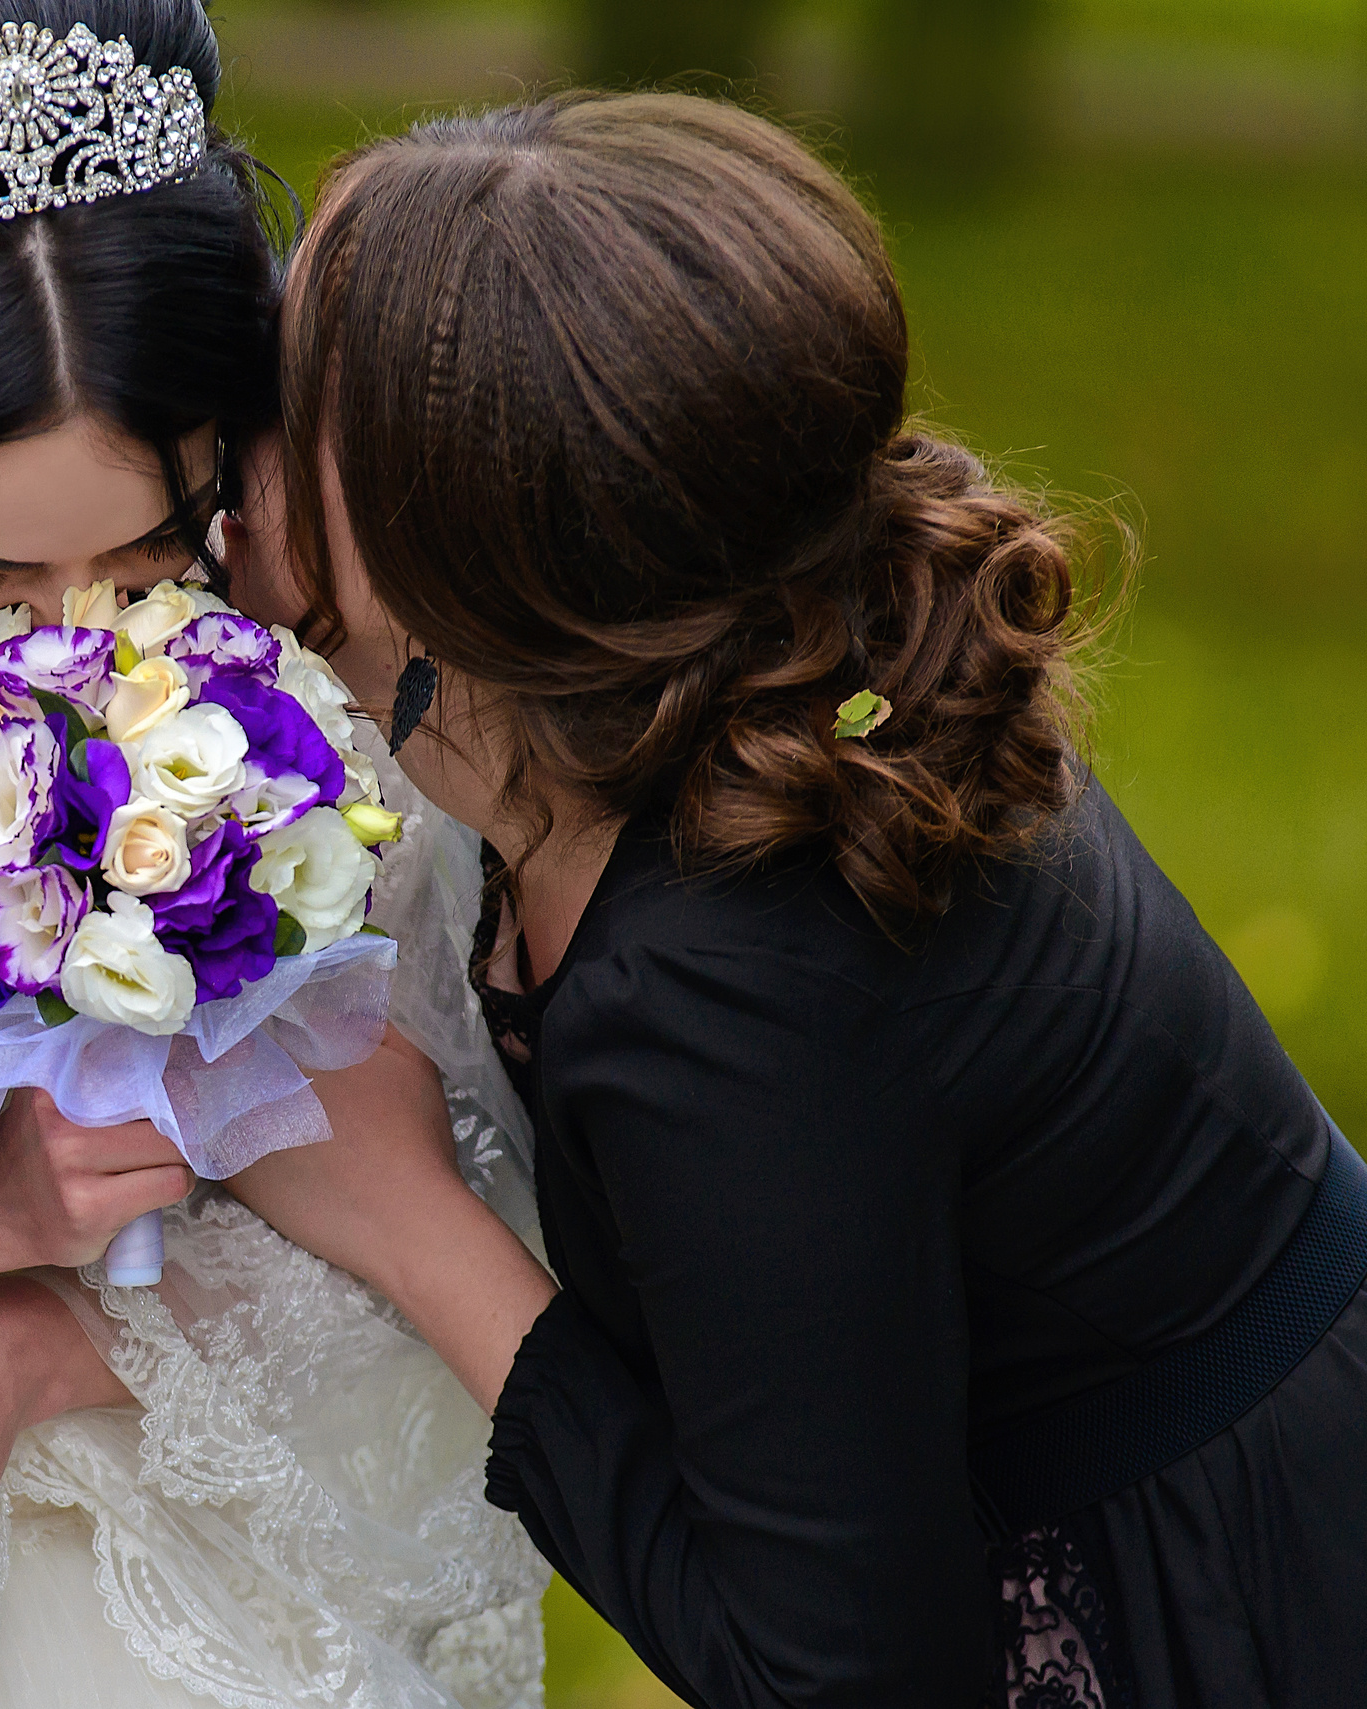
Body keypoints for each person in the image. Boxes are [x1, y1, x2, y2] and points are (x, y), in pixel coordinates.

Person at [226, 91, 1367, 1709]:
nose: (226, 432)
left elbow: (834, 1673)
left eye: (287, 398)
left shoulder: (726, 977)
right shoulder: (707, 694)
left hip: (1227, 1599)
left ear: (468, 582)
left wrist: (414, 1223)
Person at [0, 4, 553, 1705]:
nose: (70, 650)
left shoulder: (317, 740)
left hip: (204, 1588)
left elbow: (456, 1255)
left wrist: (74, 1344)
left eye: (150, 555)